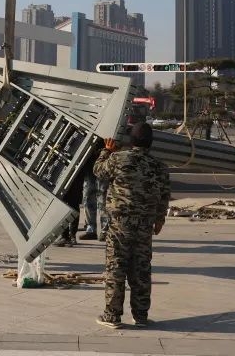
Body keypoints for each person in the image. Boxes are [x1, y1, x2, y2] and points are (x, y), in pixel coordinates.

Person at [93, 122, 171, 329]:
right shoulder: (160, 167)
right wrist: (160, 219)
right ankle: (141, 316)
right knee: (141, 270)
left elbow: (98, 171)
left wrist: (106, 151)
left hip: (120, 225)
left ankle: (112, 315)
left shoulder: (118, 159)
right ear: (150, 143)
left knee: (116, 268)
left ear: (131, 140)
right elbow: (164, 196)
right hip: (145, 225)